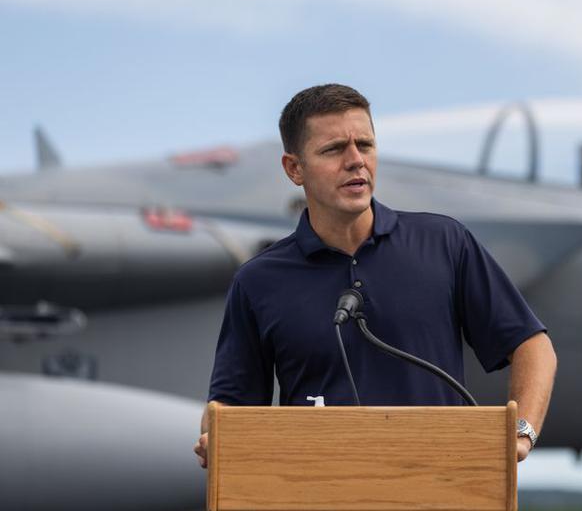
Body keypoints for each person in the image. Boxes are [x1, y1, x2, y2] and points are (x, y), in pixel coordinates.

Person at [194, 84, 556, 466]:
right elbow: (229, 405)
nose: (355, 160)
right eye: (334, 149)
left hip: (441, 487)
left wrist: (522, 432)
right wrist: (212, 436)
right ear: (294, 168)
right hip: (318, 490)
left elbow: (532, 345)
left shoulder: (445, 243)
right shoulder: (258, 281)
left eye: (365, 145)